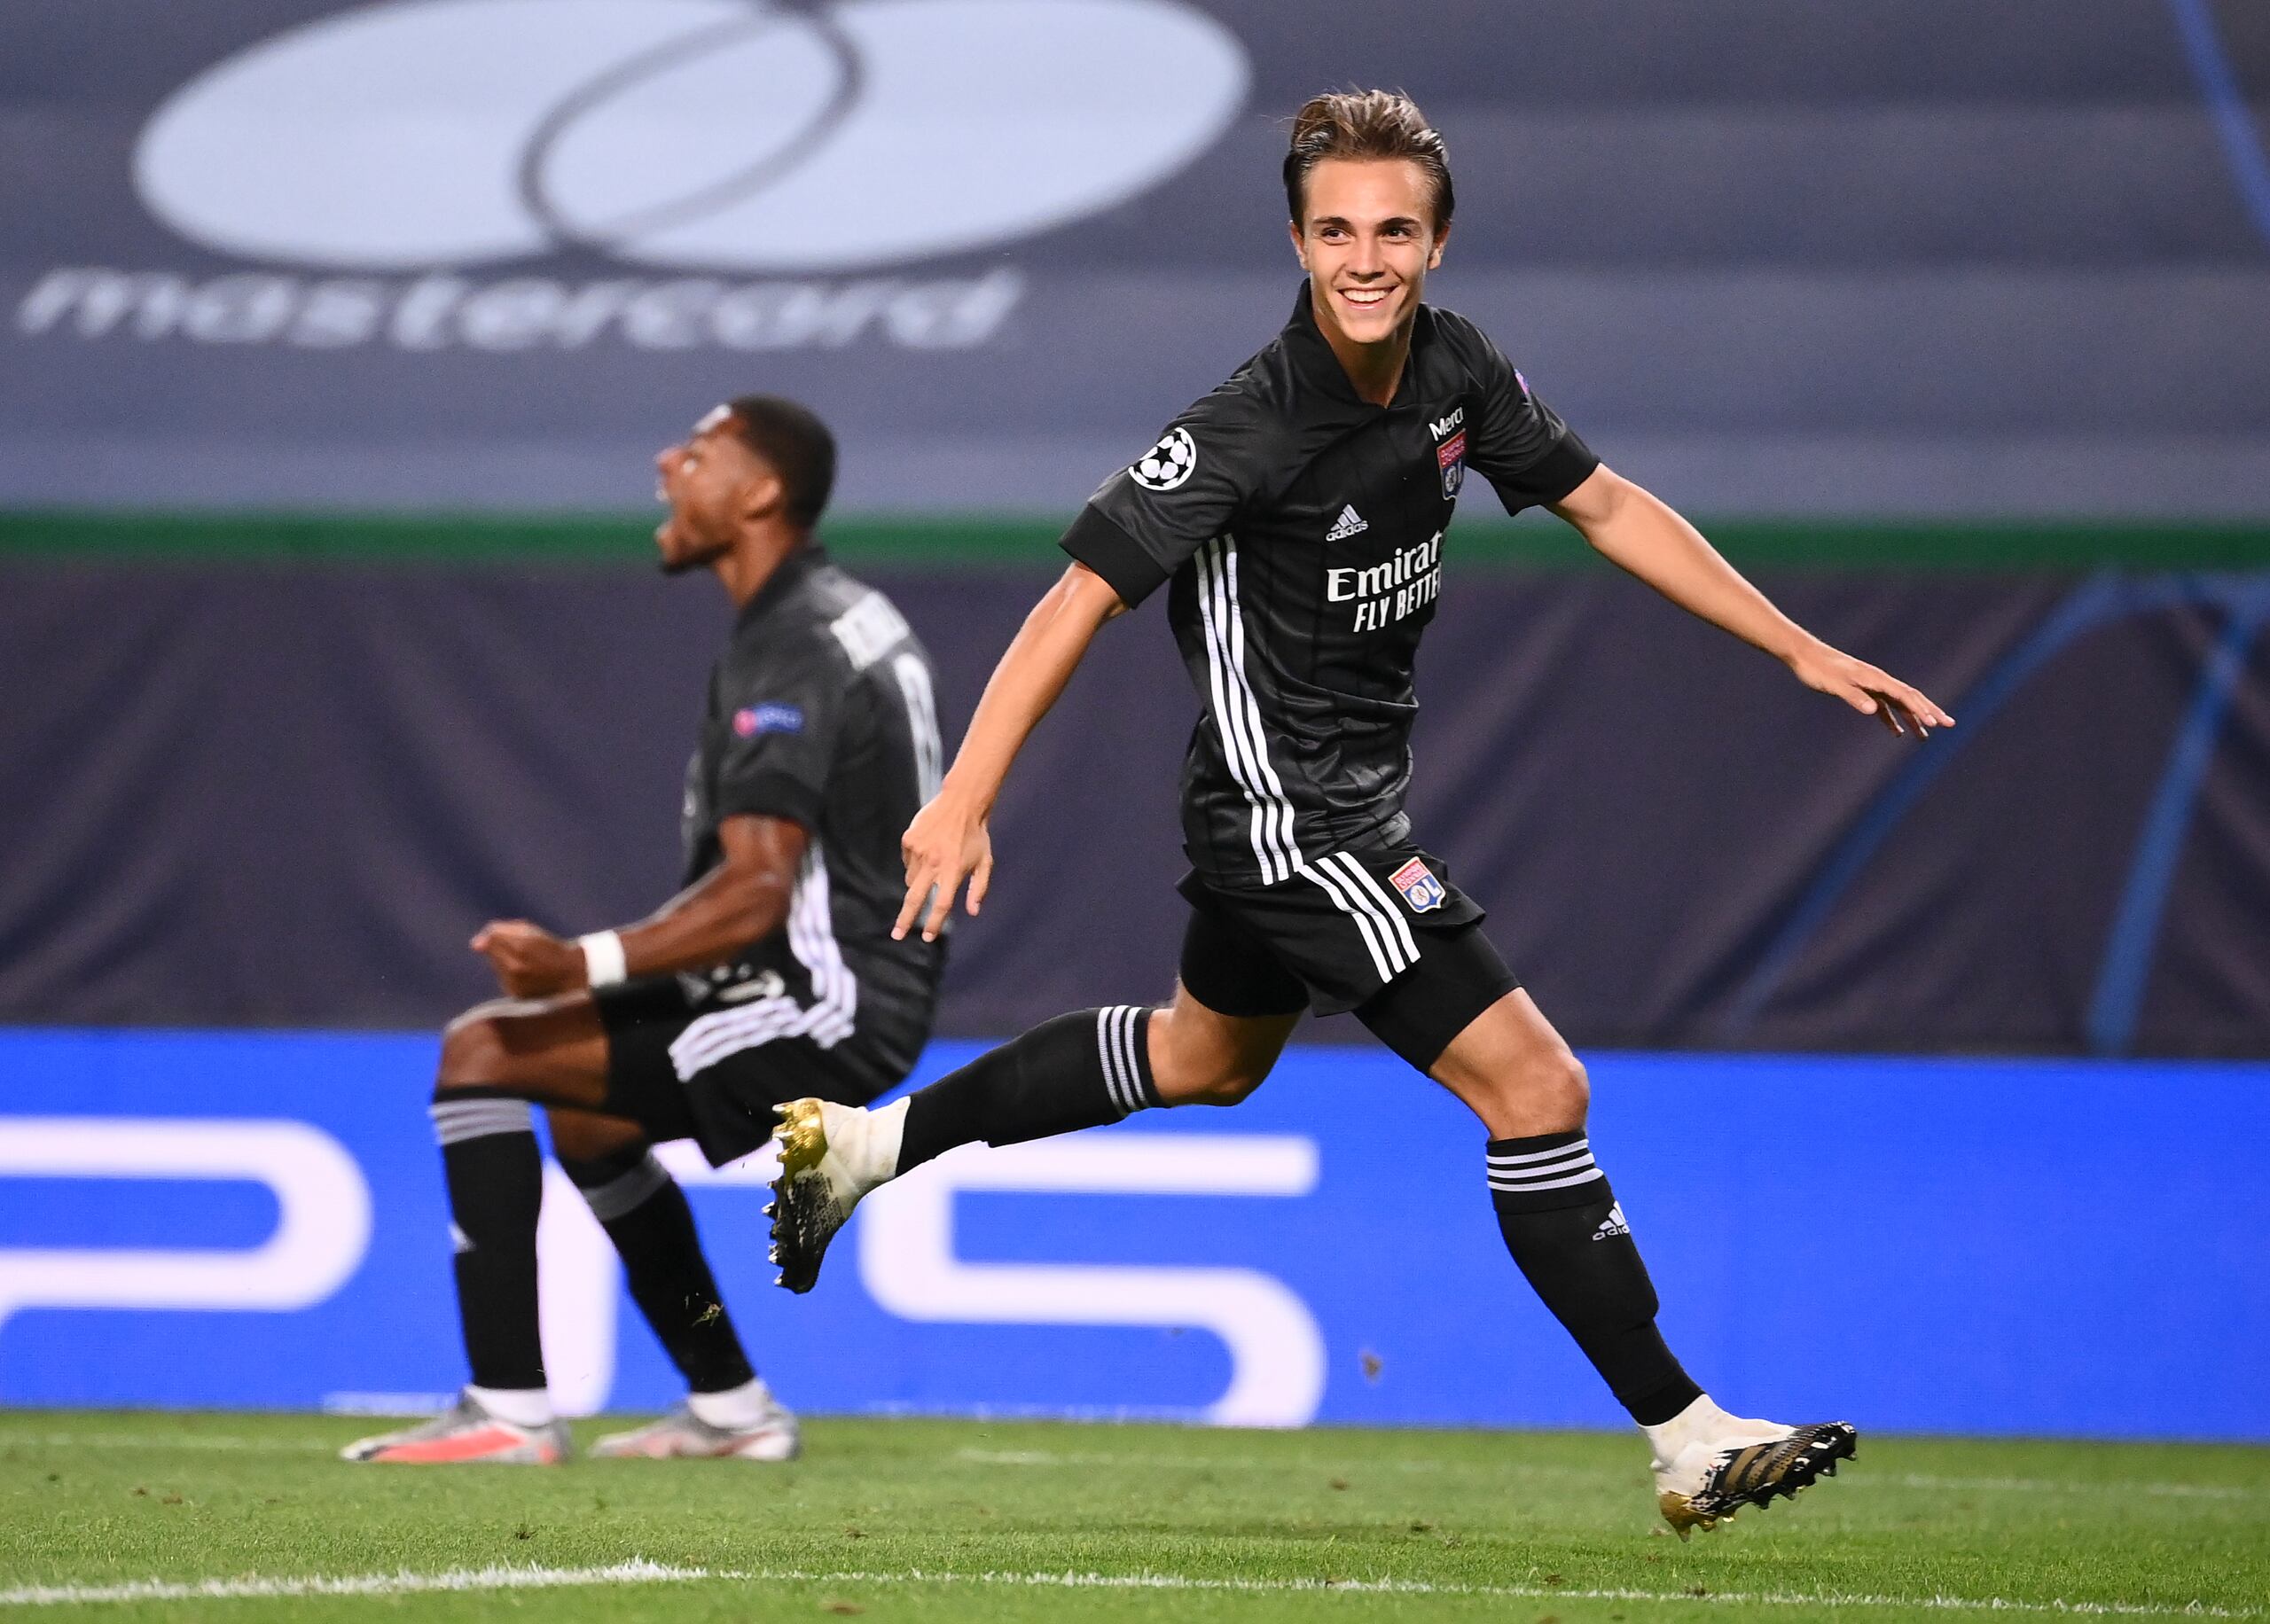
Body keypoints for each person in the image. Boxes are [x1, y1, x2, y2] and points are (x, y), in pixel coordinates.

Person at [765, 92, 1958, 1532]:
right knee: (1540, 1089)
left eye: (1393, 229)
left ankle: (867, 1148)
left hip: (1330, 808)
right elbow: (1074, 599)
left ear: (1438, 244)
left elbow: (1604, 501)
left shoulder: (1455, 372)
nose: (1365, 257)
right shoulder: (1245, 427)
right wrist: (963, 795)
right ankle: (1688, 1432)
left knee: (1204, 1058)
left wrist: (1798, 647)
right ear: (1298, 241)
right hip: (1291, 826)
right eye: (1336, 230)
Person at [345, 397, 946, 1465]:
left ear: (759, 491)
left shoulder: (793, 639)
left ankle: (508, 1410)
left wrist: (586, 961)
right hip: (836, 971)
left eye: (698, 451)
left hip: (820, 991)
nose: (666, 462)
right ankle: (730, 1404)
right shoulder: (835, 612)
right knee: (587, 1119)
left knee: (482, 1050)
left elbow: (759, 889)